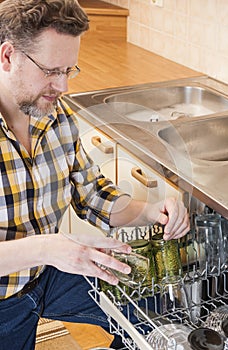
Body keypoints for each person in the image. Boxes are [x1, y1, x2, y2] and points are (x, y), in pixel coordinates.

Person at [0, 0, 190, 348]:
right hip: (5, 295)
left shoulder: (56, 116)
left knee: (152, 306)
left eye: (69, 70)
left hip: (48, 271)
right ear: (8, 56)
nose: (63, 87)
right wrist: (45, 248)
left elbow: (92, 194)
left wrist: (152, 211)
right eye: (51, 70)